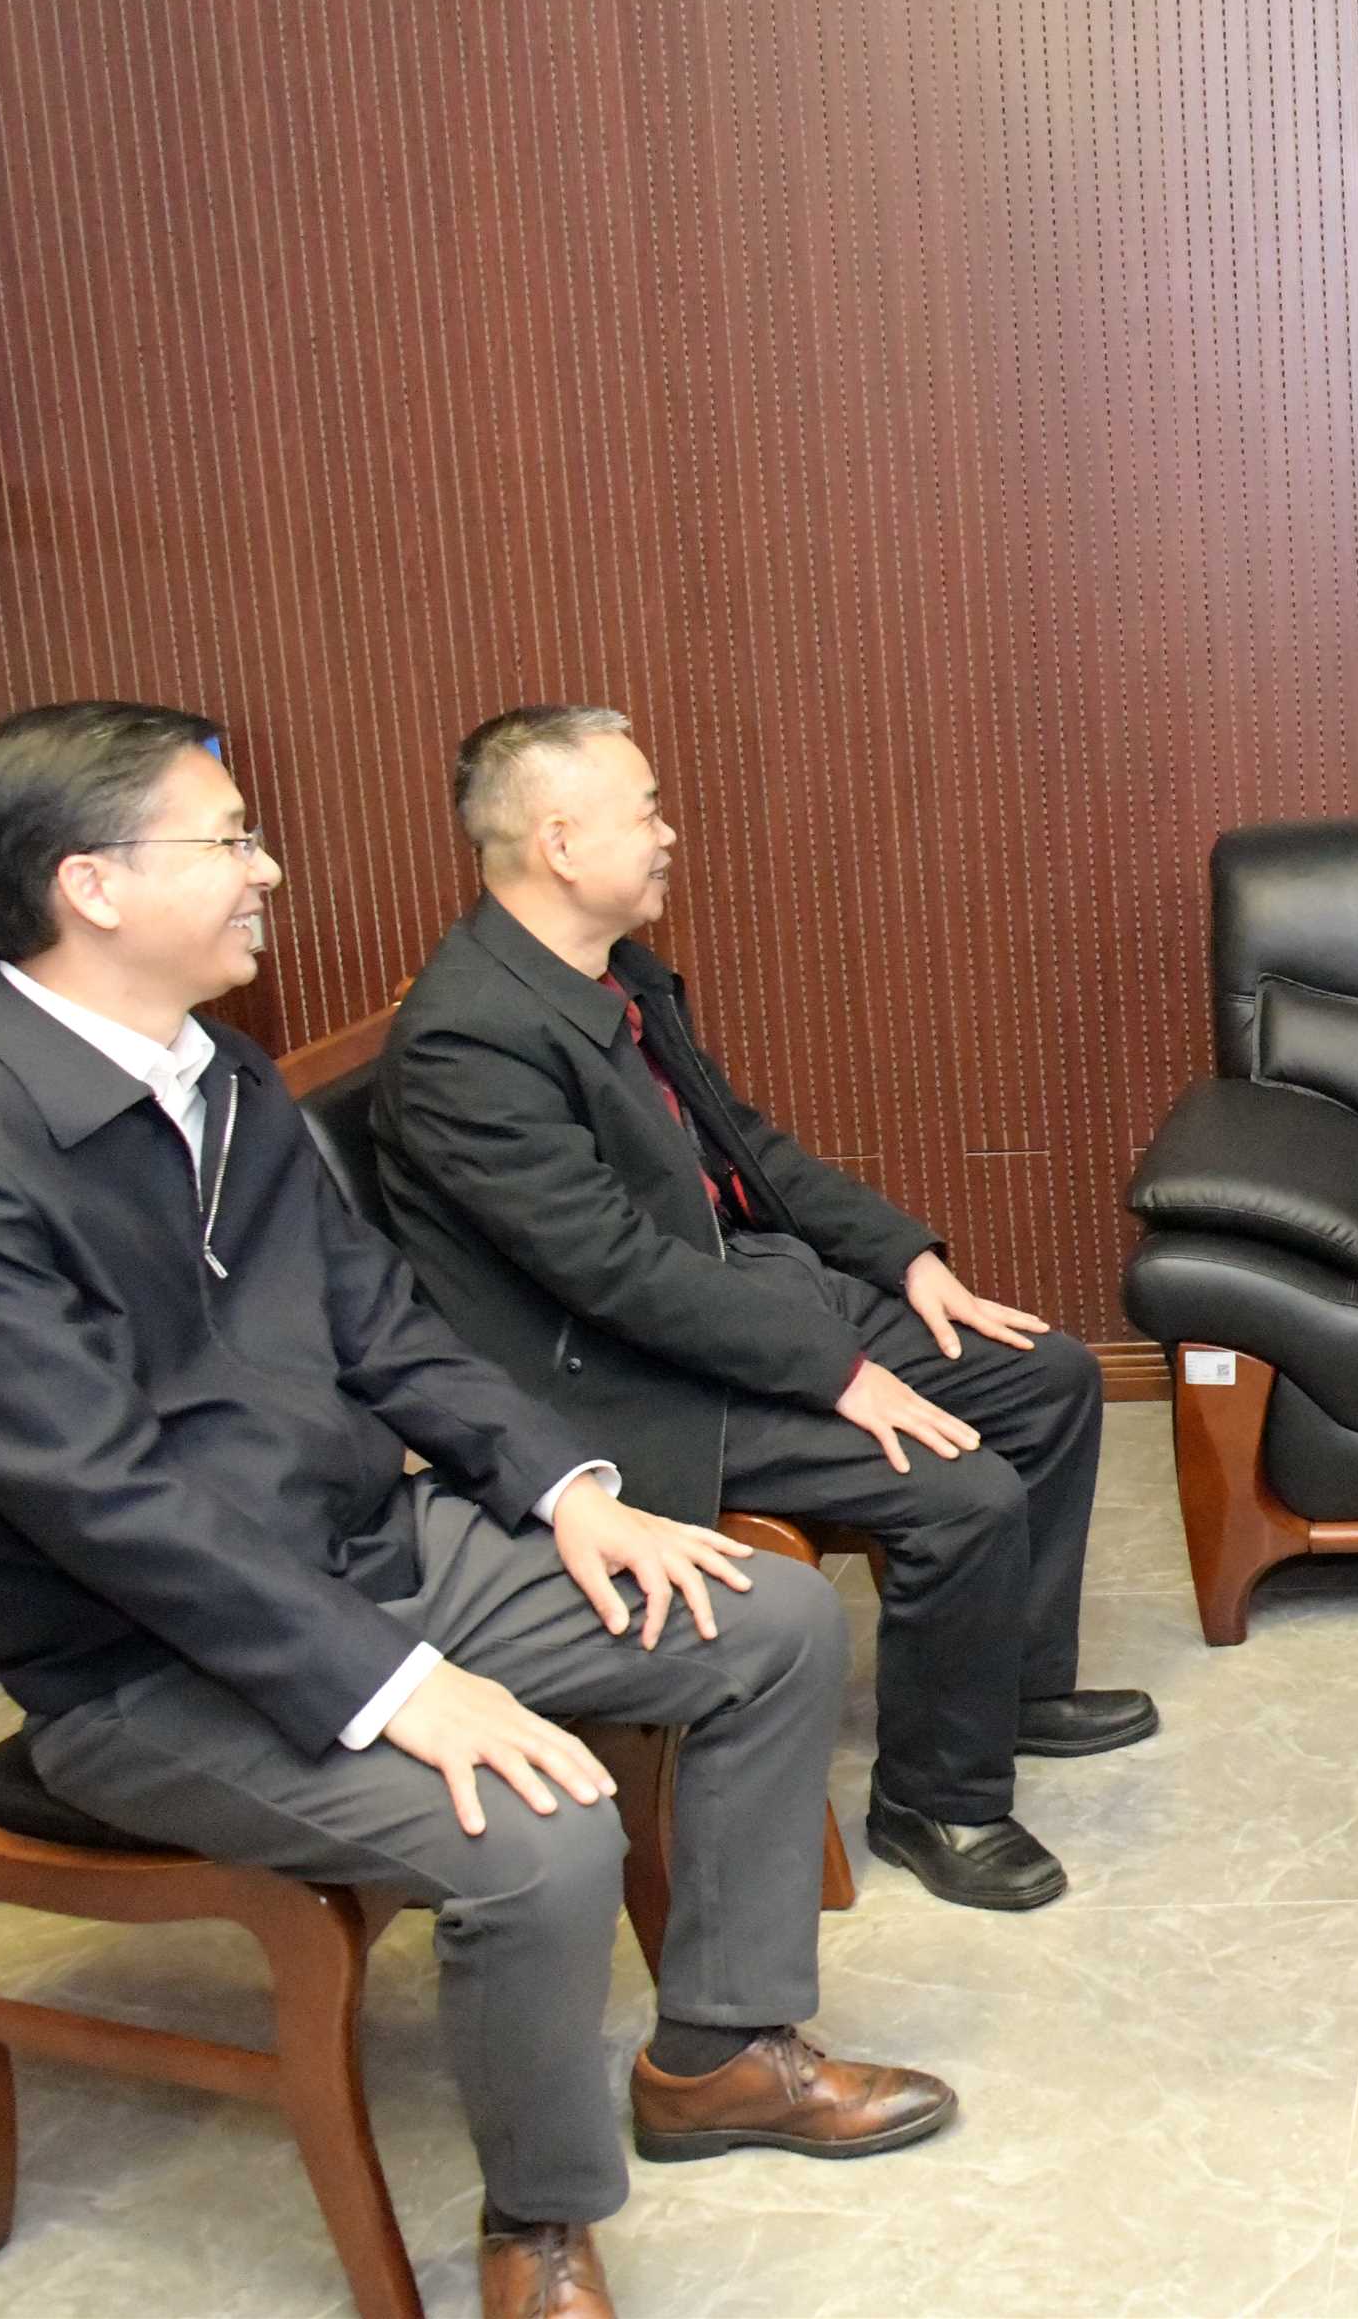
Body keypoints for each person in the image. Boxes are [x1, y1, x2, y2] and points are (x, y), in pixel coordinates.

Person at [0, 704, 952, 2319]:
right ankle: (539, 2225)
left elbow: (381, 1323)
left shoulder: (220, 1070)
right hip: (147, 1663)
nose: (268, 869)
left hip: (364, 1552)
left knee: (770, 1618)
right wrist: (393, 1682)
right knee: (539, 1831)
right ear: (91, 885)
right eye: (227, 838)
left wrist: (570, 1489)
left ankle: (719, 2050)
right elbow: (99, 1498)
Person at [371, 708, 1151, 1917]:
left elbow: (744, 1148)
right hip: (623, 1384)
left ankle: (1011, 1689)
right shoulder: (467, 1038)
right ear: (561, 842)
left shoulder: (614, 972)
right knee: (959, 1491)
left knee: (1045, 1375)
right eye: (646, 812)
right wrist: (838, 1368)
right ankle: (936, 1799)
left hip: (736, 1300)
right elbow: (614, 1271)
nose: (668, 834)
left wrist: (902, 1257)